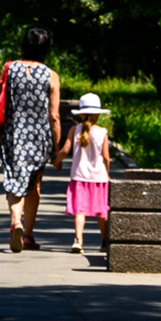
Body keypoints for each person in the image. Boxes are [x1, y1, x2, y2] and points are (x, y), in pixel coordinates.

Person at [0, 26, 61, 252]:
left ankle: (16, 222)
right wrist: (57, 147)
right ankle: (28, 235)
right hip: (39, 138)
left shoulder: (10, 69)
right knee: (34, 185)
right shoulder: (51, 76)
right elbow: (54, 115)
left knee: (14, 180)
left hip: (13, 135)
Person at [57, 93, 112, 254]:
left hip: (79, 177)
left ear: (81, 113)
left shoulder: (75, 130)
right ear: (97, 115)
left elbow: (66, 150)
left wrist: (56, 160)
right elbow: (106, 157)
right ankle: (105, 241)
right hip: (99, 178)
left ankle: (78, 241)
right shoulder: (102, 132)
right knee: (102, 212)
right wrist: (107, 173)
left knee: (80, 210)